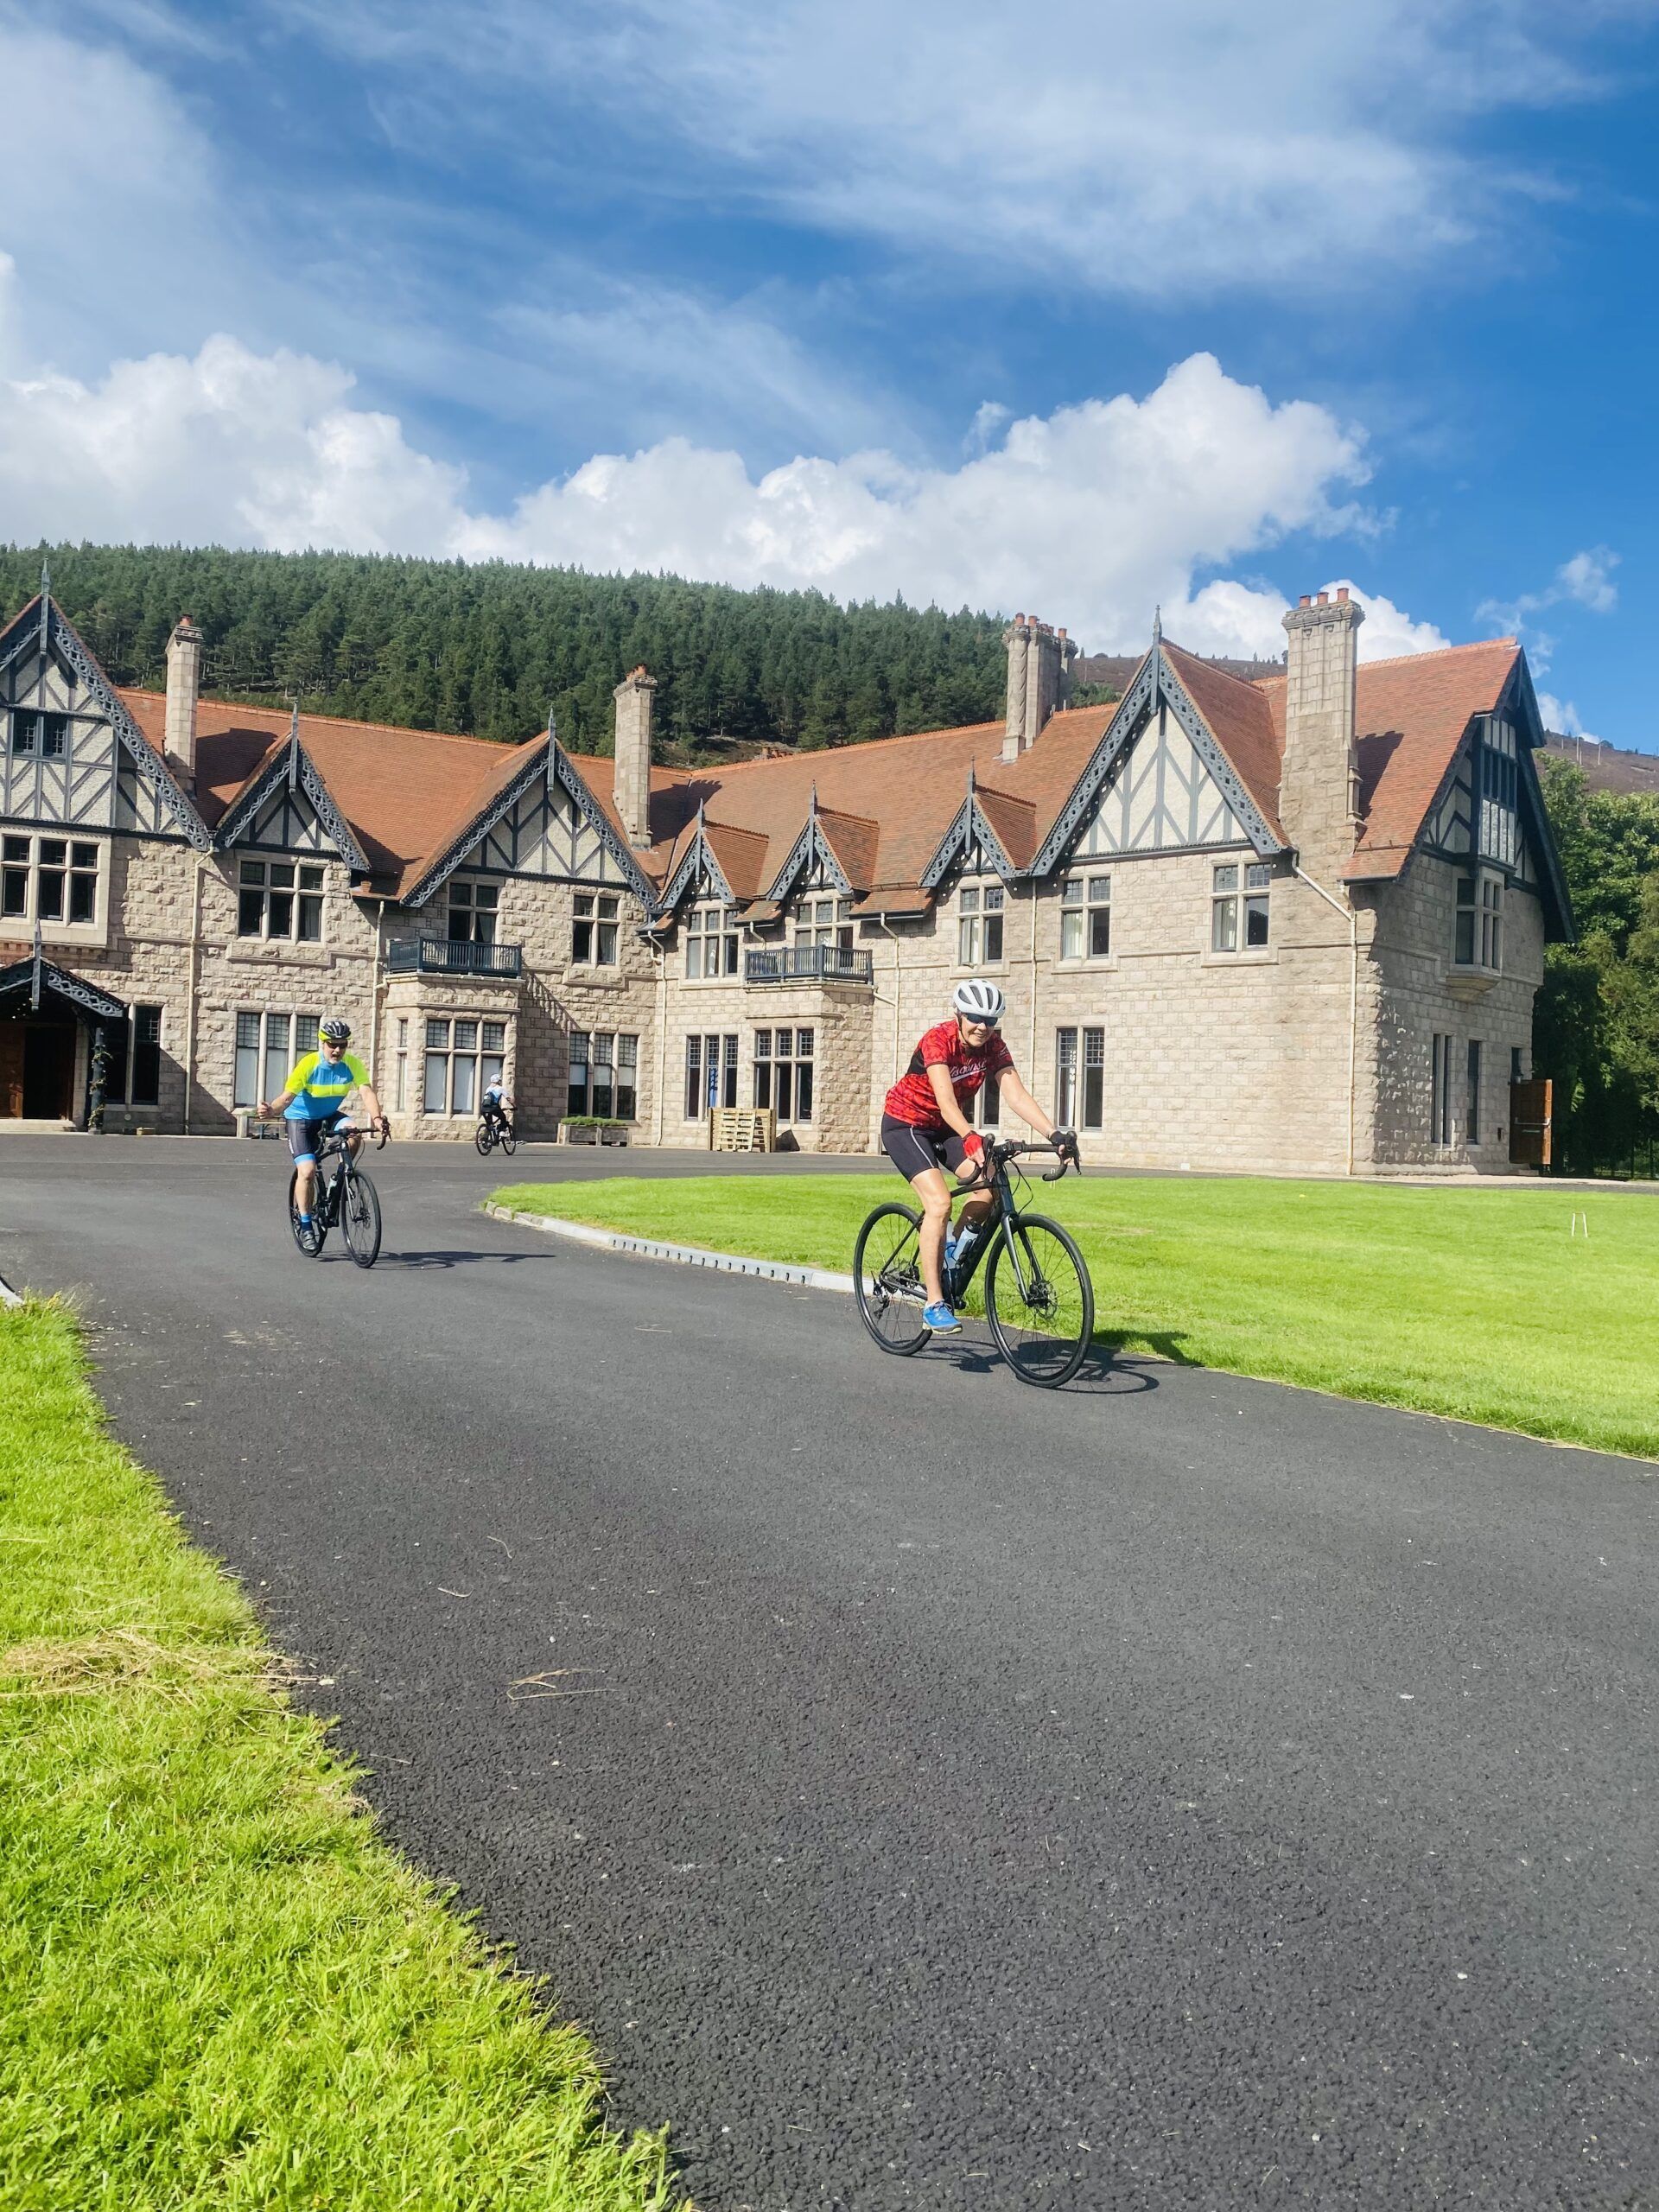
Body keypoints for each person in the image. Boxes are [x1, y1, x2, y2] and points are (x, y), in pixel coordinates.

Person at [880, 978, 1077, 1334]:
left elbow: (1016, 1095)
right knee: (939, 1204)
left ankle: (951, 1259)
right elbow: (945, 1100)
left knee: (989, 1189)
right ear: (958, 1013)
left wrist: (1054, 1134)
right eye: (974, 1017)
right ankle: (934, 1302)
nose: (982, 1027)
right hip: (906, 1124)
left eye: (990, 1020)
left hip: (947, 1128)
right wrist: (970, 1135)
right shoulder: (937, 1040)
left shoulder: (993, 1047)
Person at [257, 1018, 387, 1247]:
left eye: (342, 1045)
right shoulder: (309, 1064)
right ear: (322, 1043)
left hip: (328, 1115)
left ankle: (341, 1175)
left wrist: (377, 1118)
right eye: (332, 1044)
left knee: (354, 1134)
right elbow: (286, 1098)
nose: (337, 1050)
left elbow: (367, 1092)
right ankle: (306, 1224)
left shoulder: (352, 1064)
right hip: (301, 1119)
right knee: (306, 1171)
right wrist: (271, 1110)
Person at [481, 1072, 513, 1136]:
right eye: (500, 1081)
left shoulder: (488, 1089)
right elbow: (508, 1099)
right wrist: (514, 1106)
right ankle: (501, 1132)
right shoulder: (500, 1088)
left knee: (489, 1124)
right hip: (494, 1108)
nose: (500, 1082)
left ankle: (485, 1137)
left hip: (484, 1108)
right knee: (503, 1117)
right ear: (498, 1081)